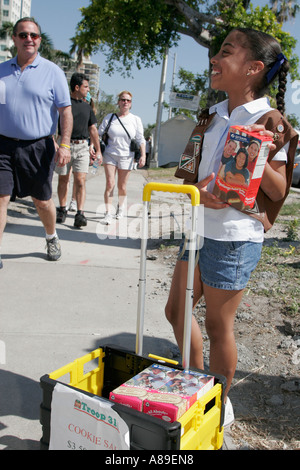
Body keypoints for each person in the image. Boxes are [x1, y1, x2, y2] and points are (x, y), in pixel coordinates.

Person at [165, 28, 298, 427]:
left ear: (254, 68)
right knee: (176, 311)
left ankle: (219, 401)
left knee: (217, 324)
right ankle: (195, 382)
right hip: (199, 226)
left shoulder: (271, 120)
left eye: (226, 52)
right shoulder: (210, 114)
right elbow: (188, 173)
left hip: (234, 238)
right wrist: (199, 190)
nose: (214, 59)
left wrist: (260, 150)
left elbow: (279, 190)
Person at [0, 17, 72, 269]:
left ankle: (51, 236)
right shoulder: (1, 71)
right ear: (15, 39)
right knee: (1, 197)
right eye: (23, 35)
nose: (28, 39)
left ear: (39, 40)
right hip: (3, 145)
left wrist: (65, 145)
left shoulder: (52, 72)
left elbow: (65, 112)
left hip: (38, 147)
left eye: (34, 35)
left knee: (41, 201)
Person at [55, 73, 101, 228]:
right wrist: (56, 144)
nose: (88, 90)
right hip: (65, 145)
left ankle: (80, 214)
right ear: (77, 87)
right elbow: (54, 126)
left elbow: (93, 130)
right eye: (86, 87)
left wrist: (98, 150)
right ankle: (62, 209)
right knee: (64, 179)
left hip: (82, 146)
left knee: (80, 180)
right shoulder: (63, 105)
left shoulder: (87, 107)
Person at [98, 91, 146, 224]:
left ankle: (121, 208)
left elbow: (140, 139)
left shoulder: (135, 120)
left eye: (128, 101)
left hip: (127, 156)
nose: (125, 102)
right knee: (109, 184)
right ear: (118, 102)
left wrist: (142, 155)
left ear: (131, 104)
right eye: (123, 100)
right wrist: (95, 149)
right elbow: (98, 133)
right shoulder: (110, 117)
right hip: (110, 154)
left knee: (122, 186)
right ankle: (108, 213)